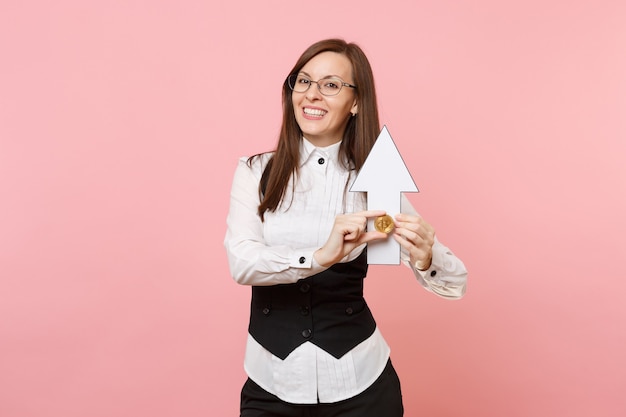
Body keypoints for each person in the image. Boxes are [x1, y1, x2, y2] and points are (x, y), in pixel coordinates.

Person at [224, 38, 467, 417]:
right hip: (271, 382)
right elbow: (242, 263)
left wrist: (426, 256)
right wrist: (322, 256)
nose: (312, 94)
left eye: (331, 84)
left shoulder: (375, 184)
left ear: (356, 102)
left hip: (362, 384)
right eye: (302, 81)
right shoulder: (255, 172)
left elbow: (455, 284)